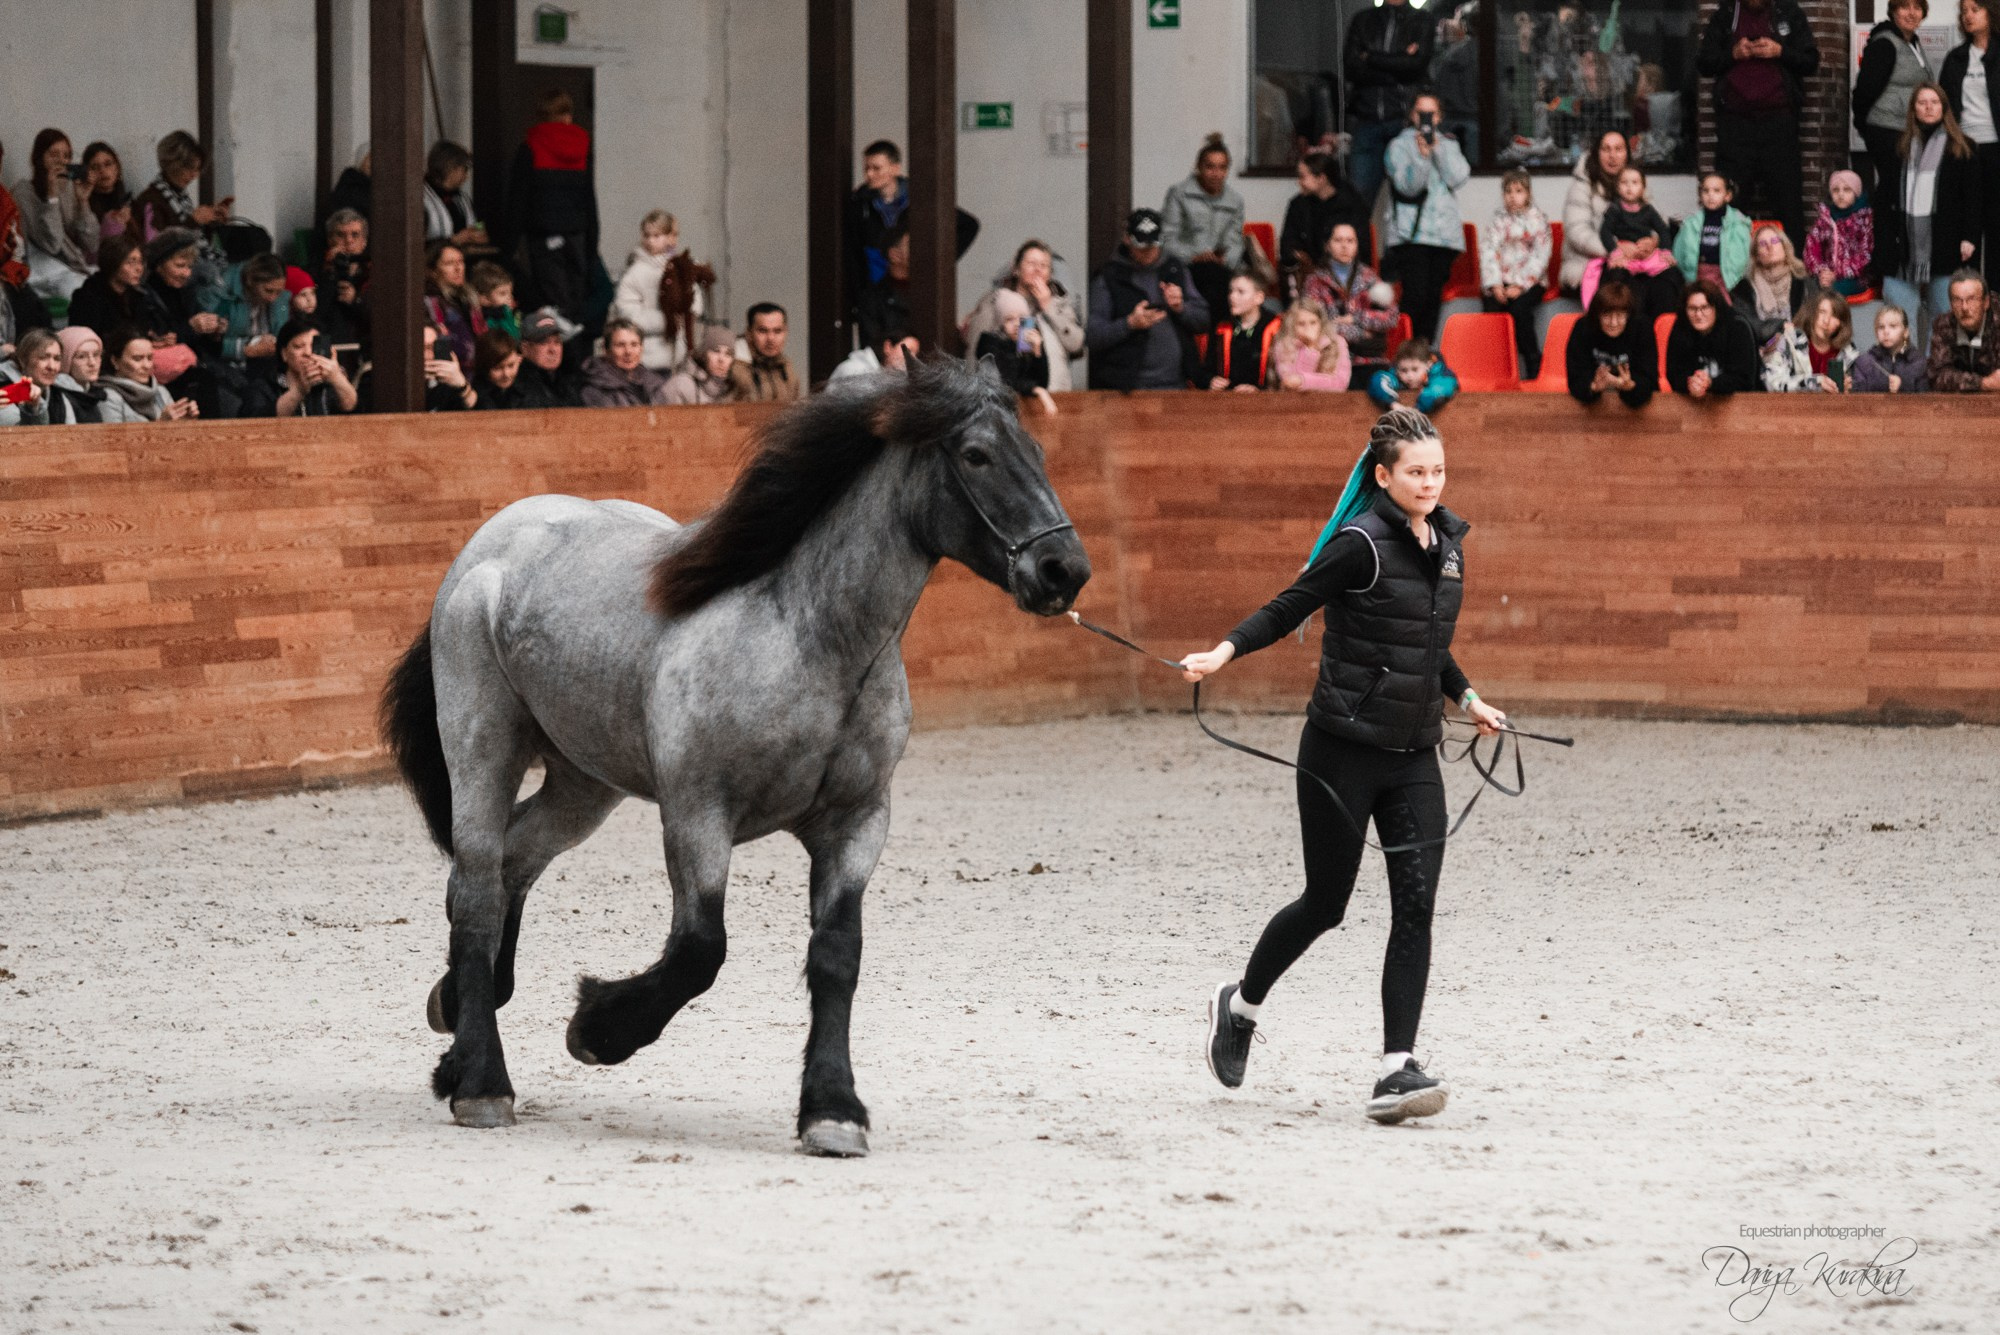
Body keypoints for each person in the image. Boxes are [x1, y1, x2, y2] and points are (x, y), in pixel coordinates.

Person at [1185, 405, 1508, 1125]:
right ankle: (1239, 1006)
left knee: (1416, 905)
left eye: (1438, 470)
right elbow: (1289, 604)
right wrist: (1223, 652)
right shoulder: (1359, 544)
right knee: (1325, 903)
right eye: (1416, 472)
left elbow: (1425, 639)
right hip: (1340, 750)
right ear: (1384, 475)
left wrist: (1468, 697)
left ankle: (1397, 1067)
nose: (1430, 482)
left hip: (1415, 752)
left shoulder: (1448, 545)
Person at [1696, 0, 1820, 250]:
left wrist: (1780, 51)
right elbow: (1704, 63)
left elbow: (1810, 61)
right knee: (1729, 208)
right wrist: (1732, 54)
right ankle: (1727, 282)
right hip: (1735, 124)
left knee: (1789, 206)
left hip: (1779, 124)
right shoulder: (1726, 15)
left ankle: (1794, 285)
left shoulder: (1788, 12)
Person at [1883, 82, 1980, 332]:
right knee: (1898, 322)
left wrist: (1969, 237)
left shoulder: (1963, 146)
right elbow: (1883, 197)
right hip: (1903, 247)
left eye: (1934, 102)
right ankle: (1906, 369)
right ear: (1913, 109)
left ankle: (1939, 369)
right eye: (1922, 102)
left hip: (1946, 243)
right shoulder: (1898, 147)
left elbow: (1973, 198)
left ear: (1944, 108)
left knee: (1945, 321)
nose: (1928, 108)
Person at [1085, 208, 1210, 391]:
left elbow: (1203, 321)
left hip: (1177, 384)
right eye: (1141, 247)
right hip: (1127, 387)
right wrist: (1129, 323)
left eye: (1153, 246)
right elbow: (1093, 336)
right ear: (1127, 239)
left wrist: (1181, 307)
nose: (1148, 252)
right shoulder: (1109, 276)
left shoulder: (1175, 269)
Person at [504, 89, 599, 322]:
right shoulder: (583, 148)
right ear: (569, 114)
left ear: (541, 115)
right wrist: (592, 241)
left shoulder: (531, 148)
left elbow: (518, 200)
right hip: (578, 235)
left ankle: (555, 352)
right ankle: (576, 352)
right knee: (576, 302)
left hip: (543, 238)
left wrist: (508, 248)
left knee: (551, 304)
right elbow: (589, 196)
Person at [1382, 93, 1471, 341]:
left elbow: (1458, 177)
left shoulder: (1449, 144)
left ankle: (1424, 353)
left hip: (1444, 237)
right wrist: (1422, 157)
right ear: (1412, 115)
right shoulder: (1398, 146)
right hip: (1411, 234)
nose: (1426, 119)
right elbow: (1407, 186)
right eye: (1421, 113)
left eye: (1431, 113)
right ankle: (1403, 349)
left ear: (1439, 117)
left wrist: (1437, 150)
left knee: (1433, 298)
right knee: (1415, 295)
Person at [1853, 0, 1933, 251]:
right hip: (1887, 129)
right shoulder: (1885, 44)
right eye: (1904, 6)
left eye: (1917, 8)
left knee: (1901, 192)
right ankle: (1884, 255)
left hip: (1907, 131)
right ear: (1893, 11)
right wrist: (1867, 127)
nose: (1911, 13)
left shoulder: (1913, 43)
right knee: (1892, 191)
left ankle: (1895, 252)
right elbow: (1864, 91)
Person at [1342, 0, 1438, 207]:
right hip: (1367, 120)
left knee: (1408, 202)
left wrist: (1370, 57)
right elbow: (1351, 69)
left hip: (1405, 124)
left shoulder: (1422, 20)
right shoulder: (1363, 20)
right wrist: (1398, 66)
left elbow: (1416, 67)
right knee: (1357, 204)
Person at [961, 239, 1086, 391]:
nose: (1037, 270)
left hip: (1053, 393)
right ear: (1016, 269)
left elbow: (1076, 345)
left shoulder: (1059, 304)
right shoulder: (996, 301)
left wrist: (1048, 307)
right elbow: (975, 349)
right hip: (1004, 395)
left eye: (1044, 266)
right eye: (1031, 263)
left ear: (1050, 274)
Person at [1160, 134, 1247, 321]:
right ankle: (1213, 341)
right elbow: (1167, 239)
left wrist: (1224, 259)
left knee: (1225, 284)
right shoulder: (1179, 194)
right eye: (1210, 167)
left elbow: (1235, 241)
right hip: (1185, 267)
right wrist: (1194, 255)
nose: (1216, 173)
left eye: (1222, 167)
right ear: (1199, 167)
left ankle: (1220, 340)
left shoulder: (1235, 201)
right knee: (1213, 285)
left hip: (1220, 271)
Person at [1940, 0, 2000, 268]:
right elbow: (1945, 105)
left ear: (1992, 11)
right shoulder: (1956, 58)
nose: (1968, 16)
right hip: (1964, 149)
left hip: (1996, 147)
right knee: (1967, 228)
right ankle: (1970, 298)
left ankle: (1997, 300)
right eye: (1964, 11)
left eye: (1975, 10)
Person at [1581, 164, 1681, 321]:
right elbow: (1605, 232)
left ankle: (1665, 325)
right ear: (1618, 187)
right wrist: (1615, 251)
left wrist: (1665, 250)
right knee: (1617, 275)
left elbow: (1663, 230)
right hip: (1625, 254)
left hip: (1646, 254)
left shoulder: (1648, 210)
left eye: (1635, 183)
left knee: (1670, 273)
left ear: (1643, 187)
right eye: (1624, 182)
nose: (1629, 187)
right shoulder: (1614, 209)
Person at [1479, 169, 1553, 378]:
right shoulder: (1497, 221)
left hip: (1531, 281)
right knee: (1492, 306)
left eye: (1518, 191)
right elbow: (1488, 251)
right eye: (1508, 191)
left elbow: (1541, 255)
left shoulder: (1538, 220)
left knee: (1519, 309)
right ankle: (1496, 366)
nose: (1513, 196)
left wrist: (1520, 285)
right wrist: (1495, 284)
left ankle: (1532, 361)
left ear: (1528, 194)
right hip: (1501, 280)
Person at [9, 128, 98, 301]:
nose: (61, 162)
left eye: (66, 156)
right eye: (54, 155)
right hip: (41, 271)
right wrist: (51, 198)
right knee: (85, 296)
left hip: (71, 266)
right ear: (39, 158)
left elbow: (91, 244)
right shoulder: (23, 193)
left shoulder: (67, 188)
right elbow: (52, 245)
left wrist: (83, 202)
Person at [612, 210, 703, 371]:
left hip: (681, 354)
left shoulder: (681, 267)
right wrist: (667, 320)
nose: (650, 241)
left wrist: (690, 312)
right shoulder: (634, 273)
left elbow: (694, 297)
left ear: (670, 237)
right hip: (648, 357)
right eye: (647, 235)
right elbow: (628, 314)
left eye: (656, 236)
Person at [1278, 152, 1372, 303]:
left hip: (1345, 275)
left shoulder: (1352, 205)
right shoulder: (1298, 205)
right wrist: (1302, 259)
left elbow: (1361, 250)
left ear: (1321, 178)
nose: (1298, 182)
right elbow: (1287, 244)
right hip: (1307, 276)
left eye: (1303, 177)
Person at [1304, 221, 1400, 362]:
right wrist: (1363, 333)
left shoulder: (1369, 278)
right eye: (1338, 240)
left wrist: (1355, 318)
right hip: (1329, 359)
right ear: (1327, 245)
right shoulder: (1315, 281)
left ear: (1357, 245)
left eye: (1350, 241)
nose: (1345, 246)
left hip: (1369, 359)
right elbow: (1315, 325)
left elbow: (1392, 317)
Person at [1566, 280, 1657, 407]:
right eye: (1607, 315)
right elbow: (1575, 378)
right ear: (1597, 315)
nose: (1613, 323)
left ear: (1628, 315)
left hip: (1635, 402)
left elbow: (1649, 380)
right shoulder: (1583, 327)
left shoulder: (1642, 327)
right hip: (1591, 403)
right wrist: (1593, 387)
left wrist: (1629, 386)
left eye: (1620, 316)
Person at [1665, 278, 1762, 398]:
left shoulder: (1737, 328)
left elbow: (1744, 379)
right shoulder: (1680, 327)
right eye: (1692, 309)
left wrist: (1710, 383)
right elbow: (1673, 373)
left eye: (1705, 307)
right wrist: (1690, 383)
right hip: (1693, 404)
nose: (1699, 315)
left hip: (1743, 404)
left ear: (1716, 308)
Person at [1560, 131, 1630, 293]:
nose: (1612, 155)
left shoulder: (1635, 182)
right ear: (1596, 154)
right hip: (1584, 266)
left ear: (1627, 154)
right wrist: (1615, 249)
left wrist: (1648, 243)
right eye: (1606, 149)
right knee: (1620, 279)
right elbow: (1577, 232)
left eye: (1618, 149)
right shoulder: (1582, 185)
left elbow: (1653, 224)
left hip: (1629, 261)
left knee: (1666, 277)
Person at [132, 131, 231, 243]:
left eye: (197, 169)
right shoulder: (151, 200)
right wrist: (194, 221)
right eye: (189, 168)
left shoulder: (180, 196)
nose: (194, 175)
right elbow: (160, 247)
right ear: (172, 164)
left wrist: (212, 219)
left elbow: (199, 242)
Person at [971, 287, 1057, 412]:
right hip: (992, 411)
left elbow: (1042, 383)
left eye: (1022, 318)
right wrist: (1035, 389)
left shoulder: (1025, 343)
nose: (1017, 324)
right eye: (1009, 319)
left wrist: (1037, 352)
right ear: (1000, 322)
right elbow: (1005, 382)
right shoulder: (989, 343)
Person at [1731, 224, 1812, 346]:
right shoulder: (1743, 289)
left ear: (1785, 247)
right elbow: (1748, 327)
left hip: (1802, 351)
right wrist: (1780, 326)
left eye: (1775, 241)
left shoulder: (1805, 281)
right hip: (1762, 354)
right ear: (1756, 255)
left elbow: (1814, 322)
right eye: (1763, 244)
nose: (1770, 247)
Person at [1762, 288, 1857, 392]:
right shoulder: (1790, 341)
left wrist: (1849, 390)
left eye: (1834, 315)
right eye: (1822, 312)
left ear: (1841, 323)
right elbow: (1771, 383)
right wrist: (1813, 383)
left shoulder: (1849, 352)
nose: (1826, 321)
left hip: (1834, 407)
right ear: (1812, 313)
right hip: (1793, 406)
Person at [1672, 171, 1753, 292]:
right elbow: (1678, 253)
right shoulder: (1691, 223)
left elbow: (1746, 254)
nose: (1710, 195)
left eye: (1716, 191)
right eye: (1706, 191)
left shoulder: (1738, 223)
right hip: (1697, 276)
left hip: (1727, 278)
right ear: (1700, 195)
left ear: (1728, 195)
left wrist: (1736, 278)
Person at [97, 329, 197, 422]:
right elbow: (112, 440)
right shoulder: (108, 397)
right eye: (137, 359)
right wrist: (161, 426)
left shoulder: (160, 392)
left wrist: (184, 423)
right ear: (115, 361)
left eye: (149, 358)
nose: (147, 365)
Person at [1802, 171, 1875, 297]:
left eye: (1847, 190)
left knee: (1833, 291)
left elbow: (1865, 255)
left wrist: (1837, 273)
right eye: (1836, 190)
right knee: (1812, 286)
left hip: (1856, 277)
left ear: (1856, 193)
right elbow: (1812, 246)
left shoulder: (1863, 219)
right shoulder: (1825, 219)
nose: (1840, 194)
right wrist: (1822, 271)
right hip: (1828, 274)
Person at [1206, 271, 1280, 392]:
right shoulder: (1222, 327)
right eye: (1231, 291)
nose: (1232, 297)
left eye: (1240, 292)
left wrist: (1259, 389)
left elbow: (1283, 373)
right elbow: (1206, 369)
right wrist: (1211, 380)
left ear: (1259, 298)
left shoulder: (1276, 327)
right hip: (1226, 399)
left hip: (1265, 401)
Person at [1927, 267, 2000, 390]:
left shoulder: (1997, 322)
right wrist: (1982, 383)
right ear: (1950, 305)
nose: (1964, 307)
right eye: (1957, 300)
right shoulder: (1943, 325)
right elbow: (1936, 376)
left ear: (1986, 302)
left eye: (1971, 299)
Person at [67, 234, 150, 341]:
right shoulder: (88, 298)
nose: (139, 269)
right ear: (113, 263)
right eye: (130, 262)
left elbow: (141, 332)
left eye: (140, 262)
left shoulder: (136, 297)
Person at [422, 241, 486, 371]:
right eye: (449, 263)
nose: (458, 268)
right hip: (448, 372)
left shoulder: (468, 300)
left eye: (461, 261)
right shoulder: (430, 302)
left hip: (477, 371)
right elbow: (438, 341)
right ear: (433, 270)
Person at [273, 320, 358, 416]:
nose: (308, 353)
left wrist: (337, 378)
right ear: (284, 353)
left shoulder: (329, 383)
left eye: (313, 346)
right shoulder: (267, 384)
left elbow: (352, 409)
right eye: (299, 346)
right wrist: (299, 390)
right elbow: (268, 419)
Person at [1269, 297, 1352, 392]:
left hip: (1330, 403)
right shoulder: (1284, 346)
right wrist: (1310, 348)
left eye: (1313, 323)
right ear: (1292, 325)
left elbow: (1340, 383)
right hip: (1295, 403)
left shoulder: (1337, 342)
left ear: (1321, 323)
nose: (1308, 328)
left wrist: (1303, 380)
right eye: (1301, 324)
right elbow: (1290, 381)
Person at [581, 318, 668, 406]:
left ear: (641, 348)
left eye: (634, 344)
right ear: (606, 350)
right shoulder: (594, 390)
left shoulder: (654, 382)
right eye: (620, 345)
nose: (628, 352)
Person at [1430, 16, 1482, 162]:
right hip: (1474, 120)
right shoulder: (1483, 54)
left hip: (1448, 120)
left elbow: (1438, 89)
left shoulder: (1444, 58)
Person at [318, 207, 371, 350]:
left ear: (364, 241)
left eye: (355, 235)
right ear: (330, 240)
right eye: (341, 235)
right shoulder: (319, 270)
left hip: (362, 344)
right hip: (328, 342)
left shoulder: (372, 273)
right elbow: (316, 313)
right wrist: (329, 272)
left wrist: (355, 301)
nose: (348, 241)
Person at [728, 302, 801, 403]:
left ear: (786, 332)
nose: (771, 338)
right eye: (763, 331)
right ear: (749, 333)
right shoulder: (731, 367)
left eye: (777, 331)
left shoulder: (787, 368)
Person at [422, 140, 486, 249]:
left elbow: (478, 223)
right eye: (464, 169)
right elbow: (416, 244)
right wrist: (455, 240)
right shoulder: (423, 198)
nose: (467, 176)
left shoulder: (463, 199)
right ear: (450, 168)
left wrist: (480, 232)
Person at [513, 308, 584, 407]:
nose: (552, 350)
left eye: (557, 342)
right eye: (544, 342)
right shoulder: (515, 387)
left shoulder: (567, 383)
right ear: (525, 348)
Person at [1850, 303, 1929, 391]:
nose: (1886, 331)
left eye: (1893, 326)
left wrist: (1902, 385)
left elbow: (1925, 395)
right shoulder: (1865, 362)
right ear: (1876, 333)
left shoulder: (1918, 362)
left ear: (1906, 332)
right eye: (1881, 327)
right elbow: (1858, 395)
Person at [1366, 336, 1458, 412]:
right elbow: (1378, 380)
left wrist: (1418, 408)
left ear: (1428, 365)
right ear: (1397, 369)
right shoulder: (1396, 375)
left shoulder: (1439, 373)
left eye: (1415, 369)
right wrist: (1393, 404)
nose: (1409, 376)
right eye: (1404, 370)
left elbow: (1442, 387)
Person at [661, 325, 740, 406]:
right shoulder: (681, 385)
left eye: (728, 354)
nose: (721, 359)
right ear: (704, 354)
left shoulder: (735, 390)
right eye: (716, 351)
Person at [47, 326, 106, 423]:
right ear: (65, 361)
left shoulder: (92, 394)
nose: (92, 363)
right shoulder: (57, 399)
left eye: (96, 354)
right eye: (81, 357)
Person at [1, 327, 57, 426]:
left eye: (57, 358)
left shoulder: (59, 394)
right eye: (43, 358)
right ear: (23, 360)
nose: (51, 366)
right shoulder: (5, 390)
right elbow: (19, 437)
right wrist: (32, 410)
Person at [80, 141, 132, 240]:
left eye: (108, 164)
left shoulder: (128, 202)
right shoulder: (84, 206)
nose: (102, 170)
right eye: (95, 167)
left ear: (117, 167)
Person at [828, 327, 921, 383]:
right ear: (888, 346)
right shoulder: (854, 370)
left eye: (915, 354)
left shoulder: (887, 376)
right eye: (908, 351)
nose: (912, 358)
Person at [470, 328, 527, 411]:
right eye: (497, 368)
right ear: (484, 367)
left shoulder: (529, 386)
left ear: (519, 360)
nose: (506, 374)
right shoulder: (475, 395)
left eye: (511, 365)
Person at [467, 261, 518, 339]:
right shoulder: (486, 320)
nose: (509, 297)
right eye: (502, 293)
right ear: (484, 298)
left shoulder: (505, 312)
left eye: (510, 292)